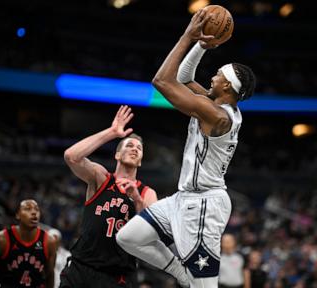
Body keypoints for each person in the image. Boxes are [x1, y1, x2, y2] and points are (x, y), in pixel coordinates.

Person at [116, 8, 256, 288]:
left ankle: (192, 281)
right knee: (128, 237)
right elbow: (183, 76)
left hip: (204, 204)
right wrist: (201, 46)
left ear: (227, 85)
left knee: (205, 286)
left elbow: (162, 81)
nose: (211, 78)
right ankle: (182, 275)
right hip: (184, 199)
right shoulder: (216, 104)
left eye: (217, 75)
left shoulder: (216, 115)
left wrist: (187, 36)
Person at [60, 105, 157, 288]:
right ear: (117, 154)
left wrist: (136, 199)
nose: (134, 149)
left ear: (141, 160)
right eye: (129, 145)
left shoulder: (146, 193)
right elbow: (71, 156)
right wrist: (112, 132)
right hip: (82, 267)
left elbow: (150, 234)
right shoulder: (101, 178)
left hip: (118, 275)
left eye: (139, 148)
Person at [0, 199, 57, 288]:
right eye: (28, 209)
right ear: (18, 215)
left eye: (36, 209)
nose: (34, 212)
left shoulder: (49, 241)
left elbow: (50, 276)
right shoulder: (1, 239)